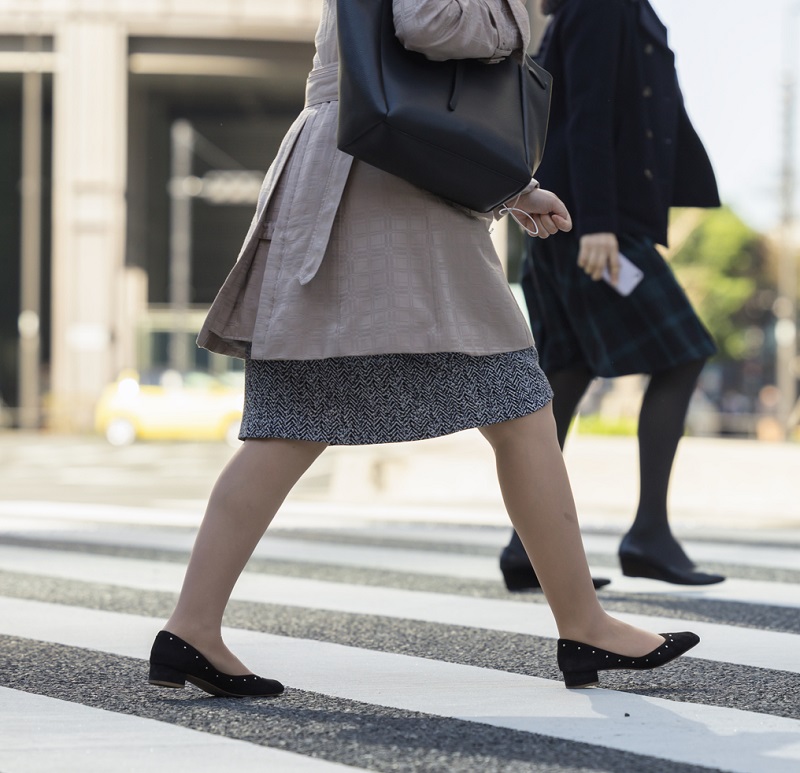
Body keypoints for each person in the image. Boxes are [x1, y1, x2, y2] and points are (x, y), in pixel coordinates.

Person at [147, 0, 700, 697]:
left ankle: (192, 625)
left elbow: (401, 64)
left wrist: (513, 186)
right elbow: (429, 23)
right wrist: (521, 17)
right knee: (517, 405)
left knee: (301, 420)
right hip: (383, 188)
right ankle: (583, 622)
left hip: (366, 172)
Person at [499, 0, 725, 592]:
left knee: (566, 371)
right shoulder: (602, 3)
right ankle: (649, 534)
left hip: (568, 220)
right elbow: (588, 115)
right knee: (683, 353)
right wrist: (598, 221)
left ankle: (526, 547)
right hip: (594, 226)